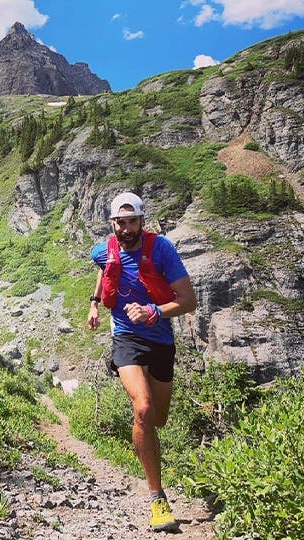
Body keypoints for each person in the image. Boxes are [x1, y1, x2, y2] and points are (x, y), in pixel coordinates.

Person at [87, 192, 197, 531]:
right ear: (112, 223)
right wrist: (94, 303)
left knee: (159, 419)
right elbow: (106, 271)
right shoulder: (104, 250)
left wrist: (154, 311)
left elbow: (188, 300)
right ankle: (157, 499)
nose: (126, 228)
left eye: (131, 221)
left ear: (141, 220)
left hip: (160, 339)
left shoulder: (161, 249)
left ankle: (145, 436)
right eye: (119, 222)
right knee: (144, 408)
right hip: (125, 338)